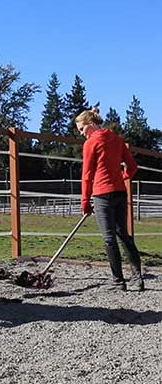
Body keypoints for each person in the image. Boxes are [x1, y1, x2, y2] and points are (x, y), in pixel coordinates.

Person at [76, 107, 144, 291]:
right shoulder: (117, 139)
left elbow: (87, 174)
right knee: (124, 235)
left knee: (109, 238)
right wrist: (122, 177)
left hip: (102, 193)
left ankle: (118, 281)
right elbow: (132, 166)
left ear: (90, 124)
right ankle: (138, 278)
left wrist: (84, 201)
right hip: (120, 192)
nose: (82, 134)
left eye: (82, 129)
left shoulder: (91, 143)